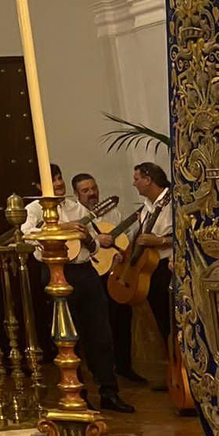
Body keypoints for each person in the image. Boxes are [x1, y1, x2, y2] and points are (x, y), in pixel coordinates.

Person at [23, 168, 133, 412]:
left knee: (100, 334)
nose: (58, 183)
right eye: (52, 180)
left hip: (85, 273)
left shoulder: (79, 208)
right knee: (68, 337)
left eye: (60, 177)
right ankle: (78, 394)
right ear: (40, 187)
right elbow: (29, 238)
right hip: (57, 272)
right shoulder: (33, 211)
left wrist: (85, 237)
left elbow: (94, 247)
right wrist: (61, 229)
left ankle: (109, 392)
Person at [104, 162, 174, 388]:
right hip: (151, 270)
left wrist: (161, 240)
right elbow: (137, 237)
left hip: (169, 267)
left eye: (136, 179)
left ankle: (187, 373)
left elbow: (187, 234)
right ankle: (174, 373)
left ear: (149, 179)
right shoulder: (146, 207)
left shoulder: (172, 202)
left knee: (174, 324)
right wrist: (123, 256)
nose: (133, 184)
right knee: (163, 323)